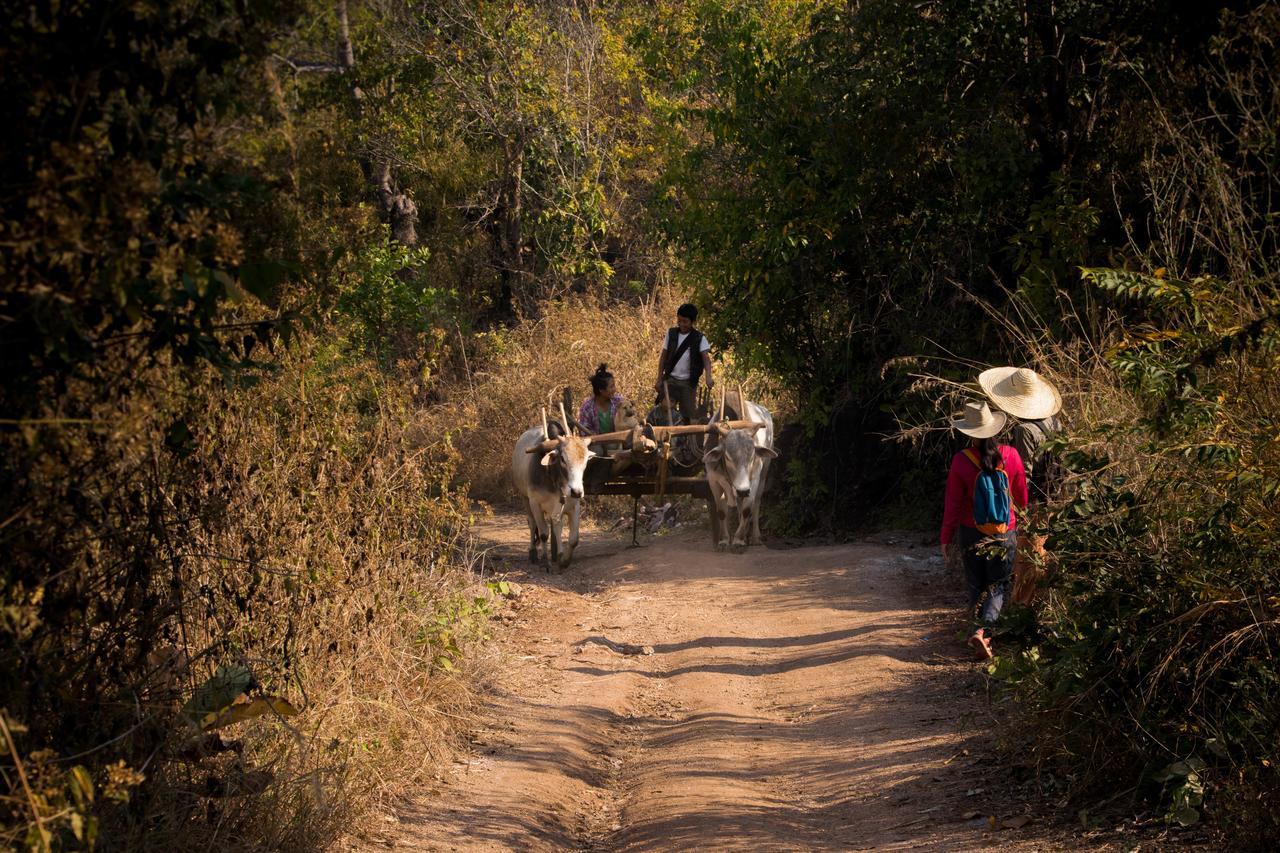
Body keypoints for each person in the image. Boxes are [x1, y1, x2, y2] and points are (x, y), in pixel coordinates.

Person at [940, 401, 1028, 660]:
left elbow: (953, 504)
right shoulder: (1011, 455)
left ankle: (978, 632)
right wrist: (1022, 522)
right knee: (998, 586)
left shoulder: (961, 461)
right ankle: (984, 633)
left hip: (971, 532)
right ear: (994, 428)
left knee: (975, 585)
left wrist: (945, 538)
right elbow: (1022, 496)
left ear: (969, 432)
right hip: (1004, 531)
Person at [978, 367, 1064, 605]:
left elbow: (1023, 473)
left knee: (1027, 556)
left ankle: (1022, 606)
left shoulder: (1024, 430)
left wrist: (1017, 508)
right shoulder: (1054, 423)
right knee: (1041, 552)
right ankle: (1036, 603)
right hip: (1054, 496)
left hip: (1034, 501)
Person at [654, 303, 714, 425]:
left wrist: (708, 377)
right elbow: (663, 357)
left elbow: (706, 359)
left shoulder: (699, 338)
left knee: (688, 415)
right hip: (670, 380)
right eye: (679, 320)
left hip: (688, 382)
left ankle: (688, 441)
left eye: (685, 321)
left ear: (693, 322)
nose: (682, 324)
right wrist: (659, 378)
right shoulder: (671, 334)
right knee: (665, 410)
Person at [578, 363, 626, 436]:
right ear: (601, 390)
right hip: (596, 443)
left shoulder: (619, 402)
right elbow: (584, 431)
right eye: (611, 387)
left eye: (614, 386)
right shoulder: (587, 407)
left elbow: (627, 421)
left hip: (617, 440)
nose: (614, 389)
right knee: (597, 448)